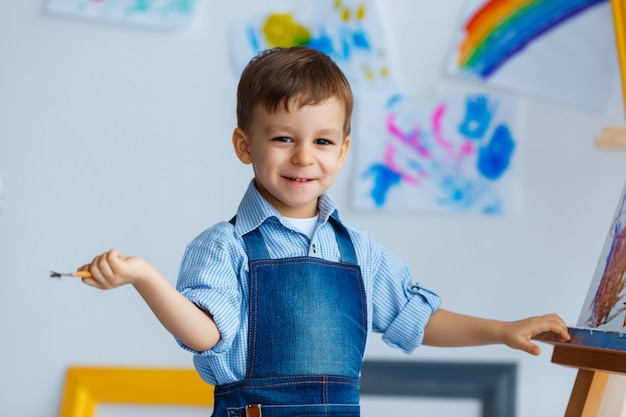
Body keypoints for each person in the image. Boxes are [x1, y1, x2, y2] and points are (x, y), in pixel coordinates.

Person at [78, 46, 570, 417]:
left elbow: (415, 320)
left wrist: (502, 331)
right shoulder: (223, 246)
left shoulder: (357, 250)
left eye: (322, 140)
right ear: (244, 145)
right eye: (284, 138)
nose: (303, 157)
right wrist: (144, 277)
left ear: (343, 150)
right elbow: (206, 335)